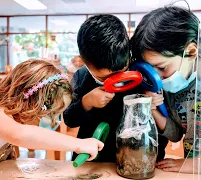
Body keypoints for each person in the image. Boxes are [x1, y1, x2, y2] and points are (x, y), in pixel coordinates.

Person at [0, 60, 104, 180]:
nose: (53, 122)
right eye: (49, 114)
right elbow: (20, 135)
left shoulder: (12, 118)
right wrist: (78, 144)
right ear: (30, 103)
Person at [63, 14, 168, 163]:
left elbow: (164, 125)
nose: (115, 81)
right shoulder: (82, 77)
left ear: (128, 52)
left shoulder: (144, 75)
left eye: (121, 73)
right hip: (93, 159)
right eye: (104, 79)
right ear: (84, 62)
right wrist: (86, 103)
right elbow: (69, 120)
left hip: (135, 159)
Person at [130, 4, 201, 174]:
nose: (159, 80)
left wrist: (194, 163)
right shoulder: (175, 83)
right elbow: (176, 133)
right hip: (196, 173)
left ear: (191, 51)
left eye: (162, 68)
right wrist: (154, 110)